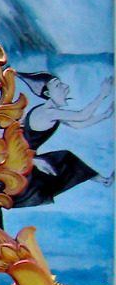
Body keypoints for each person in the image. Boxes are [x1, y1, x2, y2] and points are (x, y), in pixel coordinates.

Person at [11, 71, 112, 209]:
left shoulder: (48, 111)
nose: (66, 87)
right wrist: (102, 95)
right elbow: (81, 115)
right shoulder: (48, 112)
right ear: (47, 94)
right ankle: (104, 181)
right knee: (63, 158)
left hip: (29, 159)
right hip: (23, 162)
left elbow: (78, 124)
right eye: (58, 85)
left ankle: (104, 180)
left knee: (65, 157)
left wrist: (105, 115)